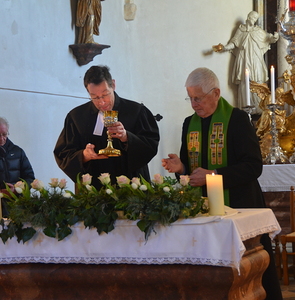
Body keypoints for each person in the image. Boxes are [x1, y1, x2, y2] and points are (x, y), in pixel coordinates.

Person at [161, 67, 282, 300]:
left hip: (240, 204)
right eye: (190, 98)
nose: (194, 104)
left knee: (253, 270)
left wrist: (213, 175)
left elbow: (253, 166)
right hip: (204, 210)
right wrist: (181, 168)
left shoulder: (237, 120)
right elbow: (190, 169)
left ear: (216, 93)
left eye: (198, 98)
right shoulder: (190, 124)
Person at [54, 65, 160, 189]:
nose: (101, 102)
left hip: (131, 189)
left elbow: (150, 146)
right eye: (95, 97)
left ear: (113, 85)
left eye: (105, 94)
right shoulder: (76, 117)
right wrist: (84, 155)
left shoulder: (136, 111)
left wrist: (127, 137)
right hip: (93, 191)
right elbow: (63, 154)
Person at [213, 11, 279, 112]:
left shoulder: (258, 31)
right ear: (248, 18)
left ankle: (259, 109)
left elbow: (269, 38)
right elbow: (234, 42)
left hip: (256, 60)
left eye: (255, 18)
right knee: (245, 82)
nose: (253, 20)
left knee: (257, 80)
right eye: (252, 18)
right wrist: (224, 48)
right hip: (244, 59)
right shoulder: (241, 30)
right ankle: (246, 110)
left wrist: (275, 37)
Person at [0, 117, 35, 216]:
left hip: (17, 207)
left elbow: (30, 178)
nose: (2, 139)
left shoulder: (18, 152)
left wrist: (16, 190)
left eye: (4, 134)